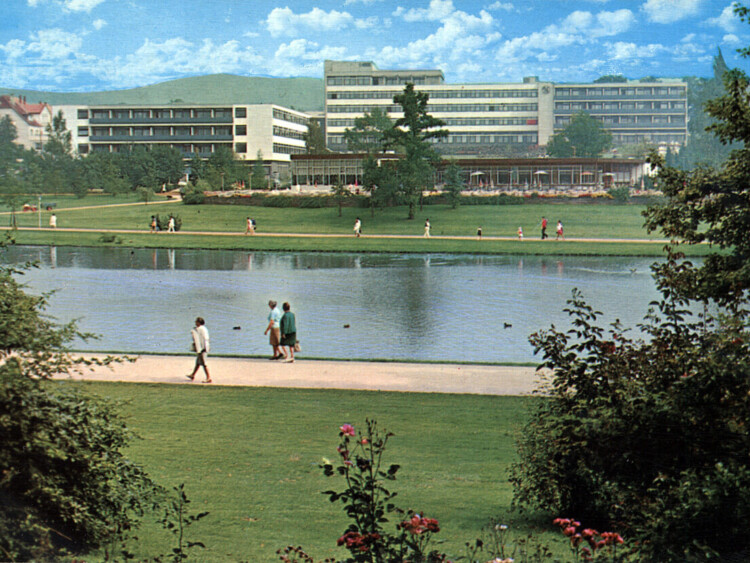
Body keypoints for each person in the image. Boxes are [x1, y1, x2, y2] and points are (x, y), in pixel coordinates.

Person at [186, 317, 211, 383]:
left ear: (199, 322)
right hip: (204, 347)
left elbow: (201, 339)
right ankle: (192, 374)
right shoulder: (204, 329)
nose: (195, 323)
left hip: (202, 348)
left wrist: (201, 349)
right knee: (198, 363)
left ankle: (208, 378)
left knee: (203, 363)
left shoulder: (199, 329)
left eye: (196, 322)